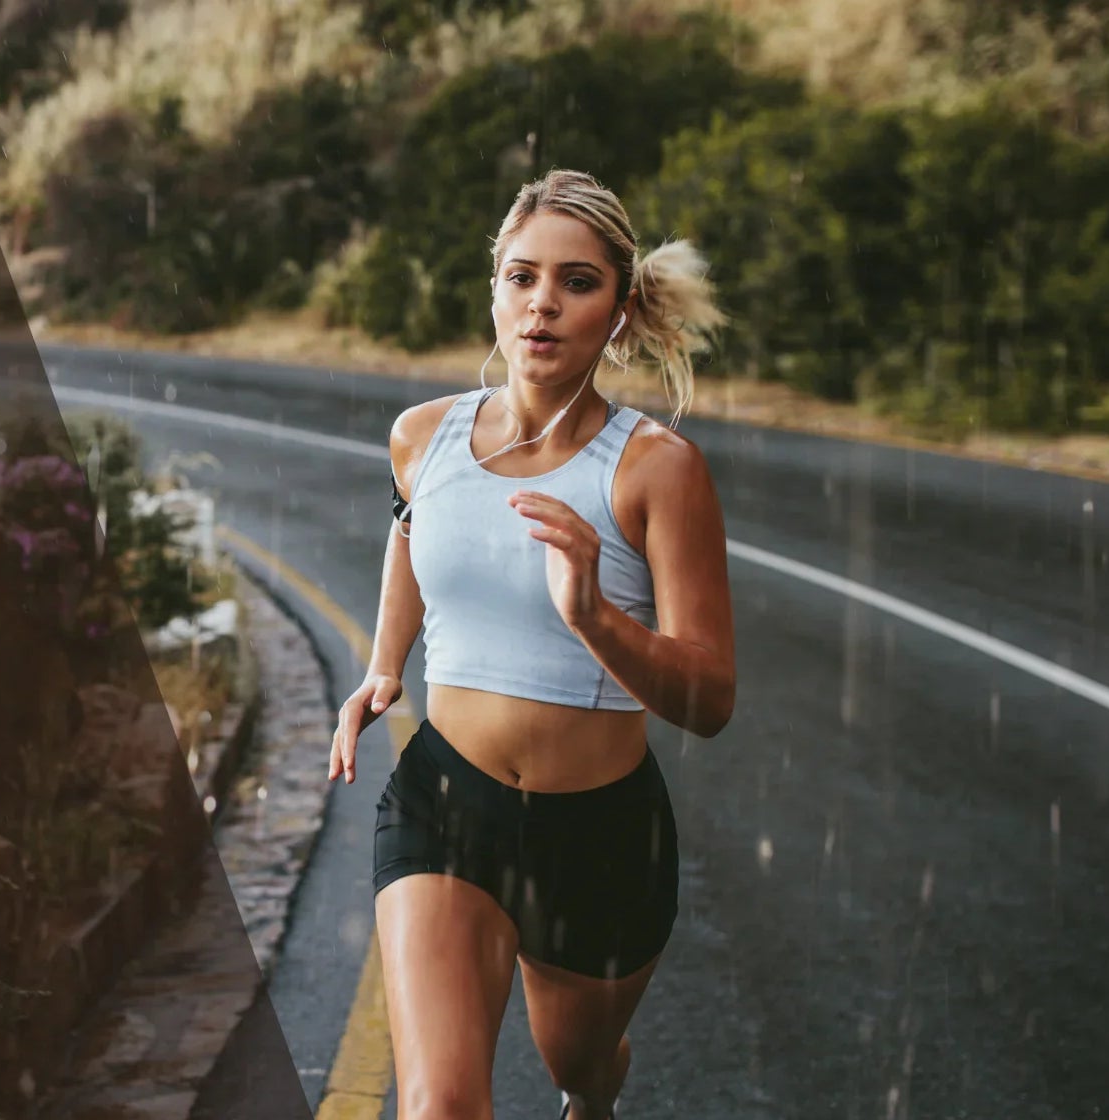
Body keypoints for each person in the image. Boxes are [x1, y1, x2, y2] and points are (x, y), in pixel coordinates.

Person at [327, 168, 738, 1120]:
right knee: (437, 1107)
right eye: (522, 277)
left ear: (620, 308)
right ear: (497, 292)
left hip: (600, 839)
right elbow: (410, 530)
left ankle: (592, 1098)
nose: (543, 303)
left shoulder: (657, 472)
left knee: (580, 1065)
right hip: (445, 804)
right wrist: (386, 664)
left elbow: (711, 701)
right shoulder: (420, 436)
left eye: (577, 282)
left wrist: (595, 614)